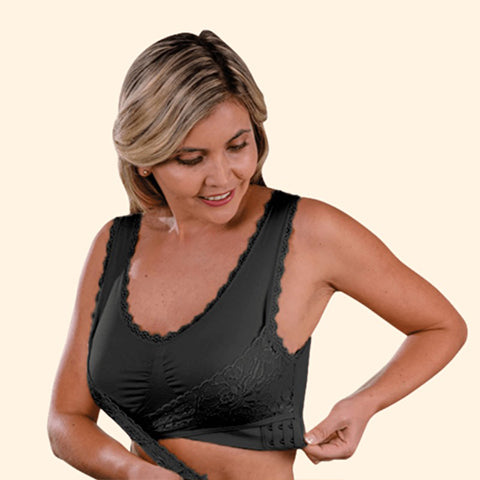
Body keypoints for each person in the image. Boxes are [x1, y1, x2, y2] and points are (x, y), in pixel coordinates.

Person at [47, 30, 467, 480]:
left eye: (237, 146)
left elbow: (441, 326)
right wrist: (134, 472)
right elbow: (65, 420)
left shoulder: (308, 232)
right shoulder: (115, 244)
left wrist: (363, 404)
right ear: (144, 158)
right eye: (191, 158)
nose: (222, 177)